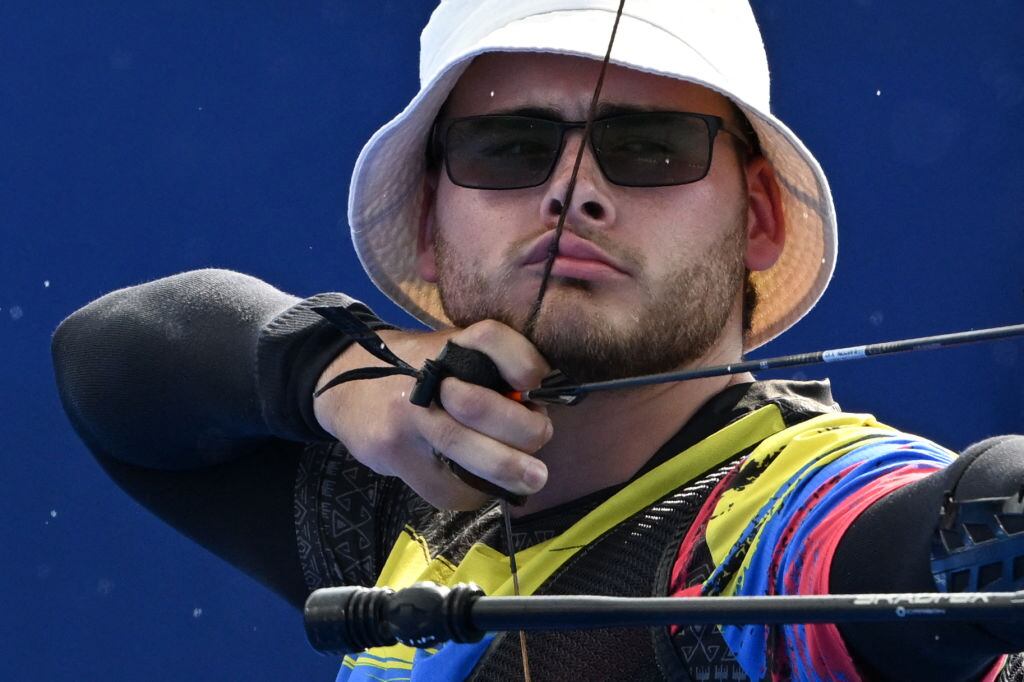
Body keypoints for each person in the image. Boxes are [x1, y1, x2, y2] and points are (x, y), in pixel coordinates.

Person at [51, 1, 1024, 680]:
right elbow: (106, 362)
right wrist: (329, 369)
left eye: (649, 146)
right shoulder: (407, 498)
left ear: (759, 216)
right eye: (509, 147)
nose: (572, 189)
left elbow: (939, 535)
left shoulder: (789, 520)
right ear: (431, 222)